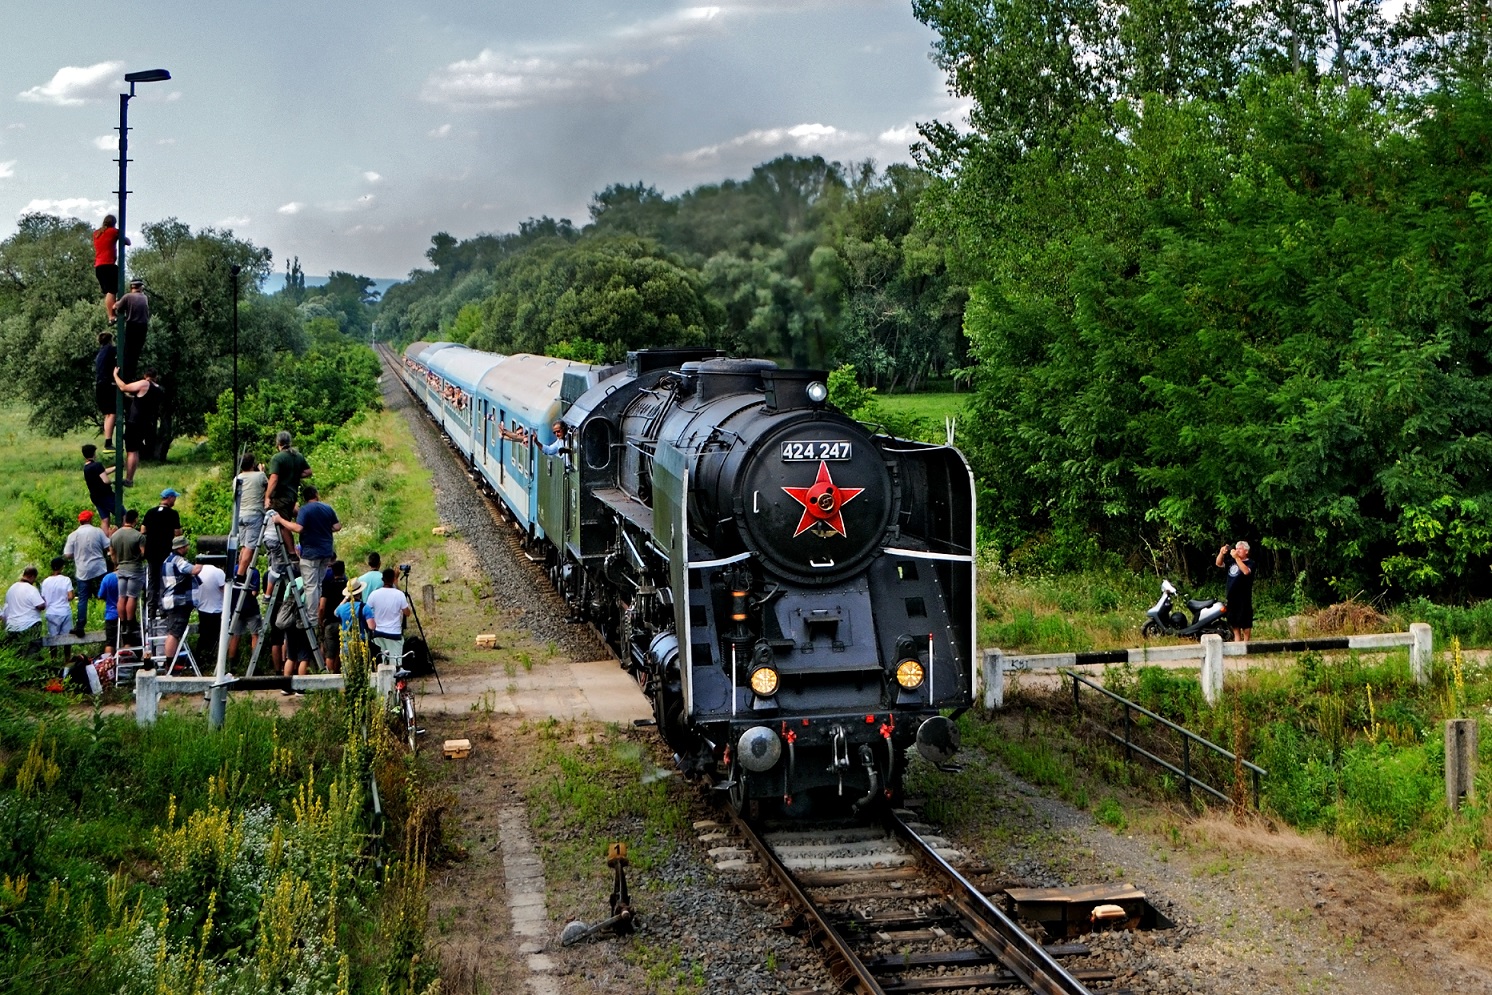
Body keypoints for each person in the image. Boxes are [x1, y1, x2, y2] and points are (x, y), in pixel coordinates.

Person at [273, 485, 340, 620]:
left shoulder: (305, 510)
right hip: (326, 552)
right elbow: (337, 526)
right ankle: (316, 613)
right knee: (318, 584)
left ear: (305, 498)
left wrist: (281, 520)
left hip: (310, 553)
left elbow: (298, 528)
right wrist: (323, 530)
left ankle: (312, 616)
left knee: (310, 585)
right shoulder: (327, 508)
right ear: (316, 494)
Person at [62, 510, 111, 637]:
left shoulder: (73, 535)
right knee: (108, 593)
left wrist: (77, 554)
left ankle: (80, 627)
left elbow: (67, 555)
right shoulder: (97, 531)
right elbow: (107, 545)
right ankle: (113, 621)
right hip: (99, 567)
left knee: (83, 599)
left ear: (80, 521)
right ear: (90, 520)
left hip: (83, 570)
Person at [112, 367, 163, 487]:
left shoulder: (145, 384)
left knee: (131, 451)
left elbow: (124, 387)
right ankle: (130, 478)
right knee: (135, 451)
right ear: (156, 376)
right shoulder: (159, 390)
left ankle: (129, 479)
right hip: (147, 423)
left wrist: (115, 375)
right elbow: (141, 399)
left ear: (146, 376)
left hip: (135, 422)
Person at [158, 535, 202, 665]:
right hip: (179, 601)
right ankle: (171, 664)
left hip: (172, 601)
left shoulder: (167, 560)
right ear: (181, 548)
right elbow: (195, 570)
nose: (188, 547)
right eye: (186, 545)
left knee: (174, 631)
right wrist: (203, 559)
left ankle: (172, 663)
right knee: (174, 633)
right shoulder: (178, 561)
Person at [264, 431, 312, 550]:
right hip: (292, 495)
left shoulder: (277, 458)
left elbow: (274, 478)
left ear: (278, 443)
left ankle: (291, 552)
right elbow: (308, 471)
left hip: (281, 496)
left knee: (283, 524)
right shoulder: (298, 456)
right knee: (289, 519)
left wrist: (267, 496)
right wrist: (294, 474)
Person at [141, 489, 183, 608]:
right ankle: (163, 606)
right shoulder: (173, 514)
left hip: (151, 552)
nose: (175, 500)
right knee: (165, 578)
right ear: (169, 498)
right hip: (165, 551)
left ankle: (151, 606)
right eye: (174, 498)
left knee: (152, 579)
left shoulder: (150, 512)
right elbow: (178, 533)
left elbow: (143, 530)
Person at [365, 567, 411, 667]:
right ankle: (395, 682)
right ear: (394, 579)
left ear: (382, 579)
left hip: (378, 632)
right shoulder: (399, 594)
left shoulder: (374, 594)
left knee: (382, 662)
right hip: (393, 633)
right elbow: (407, 613)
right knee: (395, 663)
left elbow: (366, 610)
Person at [109, 509, 145, 635]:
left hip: (121, 569)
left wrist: (117, 563)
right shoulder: (138, 536)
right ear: (135, 519)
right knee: (132, 596)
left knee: (121, 596)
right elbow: (143, 553)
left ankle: (122, 623)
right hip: (134, 568)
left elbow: (112, 553)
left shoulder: (115, 535)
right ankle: (130, 624)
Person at [234, 454, 268, 580]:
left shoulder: (237, 478)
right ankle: (241, 575)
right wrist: (262, 472)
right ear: (252, 464)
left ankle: (239, 570)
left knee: (244, 546)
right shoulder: (260, 476)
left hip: (240, 515)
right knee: (250, 547)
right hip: (254, 514)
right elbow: (268, 487)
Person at [1216, 540, 1255, 642]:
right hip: (1232, 597)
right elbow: (1218, 563)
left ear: (1246, 551)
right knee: (1235, 624)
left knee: (1246, 624)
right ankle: (1237, 647)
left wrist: (1237, 558)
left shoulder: (1250, 563)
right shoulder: (1231, 562)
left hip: (1244, 598)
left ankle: (1247, 646)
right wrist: (1221, 553)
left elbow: (1246, 572)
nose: (1237, 551)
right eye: (1236, 549)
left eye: (1240, 549)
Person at [93, 215, 128, 321]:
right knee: (112, 290)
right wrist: (120, 233)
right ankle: (111, 315)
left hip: (98, 266)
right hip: (108, 264)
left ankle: (113, 308)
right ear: (114, 223)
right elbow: (128, 242)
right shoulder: (113, 231)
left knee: (109, 291)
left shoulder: (96, 233)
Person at [193, 555, 226, 667]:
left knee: (203, 635)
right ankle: (212, 658)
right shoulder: (218, 572)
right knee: (216, 636)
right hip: (217, 608)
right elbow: (225, 590)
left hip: (202, 607)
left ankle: (198, 658)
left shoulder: (198, 570)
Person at [226, 563, 262, 664]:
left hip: (235, 608)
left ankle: (231, 663)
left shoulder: (234, 569)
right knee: (255, 635)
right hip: (250, 608)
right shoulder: (254, 571)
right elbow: (254, 592)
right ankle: (254, 662)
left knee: (235, 636)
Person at [3, 567, 47, 647]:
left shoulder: (11, 589)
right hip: (29, 624)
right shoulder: (31, 589)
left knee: (17, 650)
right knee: (33, 647)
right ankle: (33, 656)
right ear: (32, 576)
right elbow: (40, 606)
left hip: (12, 626)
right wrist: (44, 601)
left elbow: (6, 606)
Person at [319, 559, 347, 674]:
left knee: (329, 653)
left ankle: (329, 678)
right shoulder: (347, 586)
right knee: (340, 652)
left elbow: (322, 607)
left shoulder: (328, 585)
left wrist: (320, 620)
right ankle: (338, 674)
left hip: (329, 622)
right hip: (344, 623)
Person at [117, 278, 149, 380]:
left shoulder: (128, 297)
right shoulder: (145, 297)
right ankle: (131, 377)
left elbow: (116, 307)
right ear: (141, 287)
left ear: (131, 287)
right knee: (135, 354)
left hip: (132, 326)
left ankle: (123, 377)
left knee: (127, 353)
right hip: (143, 327)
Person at [40, 557, 75, 645]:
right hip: (64, 612)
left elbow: (43, 599)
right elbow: (70, 596)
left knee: (53, 639)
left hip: (51, 612)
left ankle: (53, 658)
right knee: (67, 639)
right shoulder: (66, 580)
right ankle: (67, 658)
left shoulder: (45, 581)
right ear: (62, 567)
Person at [81, 445, 116, 528]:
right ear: (94, 454)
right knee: (122, 514)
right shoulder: (97, 465)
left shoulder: (86, 467)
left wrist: (115, 468)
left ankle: (104, 537)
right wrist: (114, 481)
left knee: (105, 519)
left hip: (95, 497)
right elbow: (106, 480)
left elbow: (102, 472)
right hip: (105, 495)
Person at [95, 332, 118, 446]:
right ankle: (108, 442)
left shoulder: (100, 354)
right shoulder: (110, 349)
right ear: (110, 340)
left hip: (99, 385)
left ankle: (108, 440)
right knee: (112, 413)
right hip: (107, 385)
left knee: (107, 415)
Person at [97, 570, 120, 653]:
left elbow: (100, 595)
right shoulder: (129, 576)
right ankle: (126, 664)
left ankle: (108, 665)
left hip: (111, 614)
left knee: (110, 643)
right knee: (128, 641)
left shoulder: (107, 578)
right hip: (127, 614)